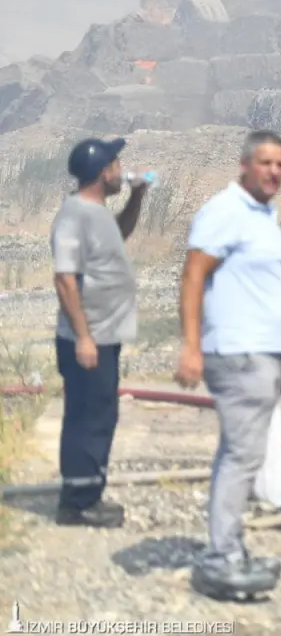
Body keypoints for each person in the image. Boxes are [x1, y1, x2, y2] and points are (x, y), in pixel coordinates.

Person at [174, 130, 281, 599]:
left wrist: (277, 355)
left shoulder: (263, 215)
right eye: (265, 163)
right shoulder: (225, 211)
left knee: (241, 453)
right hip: (237, 352)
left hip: (259, 353)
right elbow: (193, 275)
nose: (274, 172)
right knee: (242, 456)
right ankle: (222, 557)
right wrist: (190, 346)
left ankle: (231, 548)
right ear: (244, 165)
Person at [49, 137, 149, 527]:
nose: (121, 170)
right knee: (87, 417)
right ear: (101, 172)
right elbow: (64, 279)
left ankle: (88, 493)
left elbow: (119, 235)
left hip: (105, 336)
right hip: (87, 339)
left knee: (101, 415)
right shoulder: (74, 215)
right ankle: (77, 502)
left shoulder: (99, 213)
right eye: (116, 164)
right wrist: (84, 337)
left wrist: (137, 197)